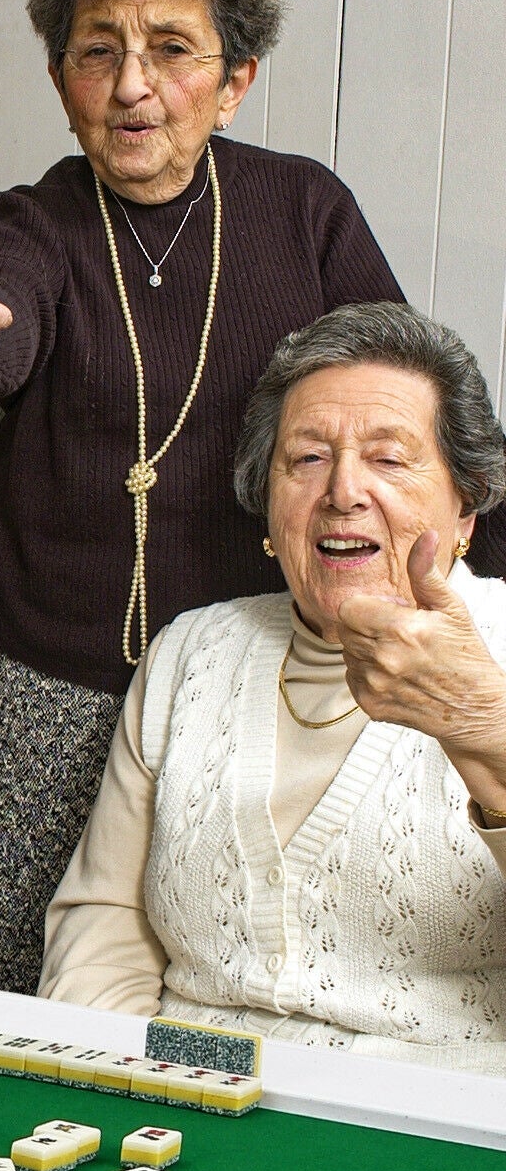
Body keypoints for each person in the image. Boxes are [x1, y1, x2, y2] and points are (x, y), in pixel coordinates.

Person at [0, 0, 506, 993]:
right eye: (97, 52)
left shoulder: (301, 210)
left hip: (255, 667)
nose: (131, 85)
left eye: (171, 51)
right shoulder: (35, 220)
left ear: (234, 81)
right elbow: (3, 326)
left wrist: (481, 601)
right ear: (59, 79)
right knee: (47, 953)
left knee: (259, 947)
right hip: (56, 674)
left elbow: (409, 398)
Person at [40, 302, 506, 1072]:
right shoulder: (192, 652)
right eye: (308, 458)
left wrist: (485, 725)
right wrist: (108, 1088)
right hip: (185, 1105)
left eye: (390, 458)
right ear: (268, 504)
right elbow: (105, 924)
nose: (344, 491)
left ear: (465, 505)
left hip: (437, 1125)